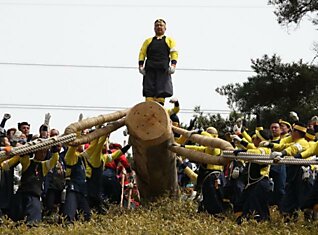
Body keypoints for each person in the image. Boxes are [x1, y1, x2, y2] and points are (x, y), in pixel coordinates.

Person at [138, 19, 178, 105]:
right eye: (157, 25)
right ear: (154, 28)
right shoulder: (148, 41)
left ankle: (160, 105)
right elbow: (142, 53)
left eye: (161, 25)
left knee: (162, 87)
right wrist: (141, 66)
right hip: (150, 68)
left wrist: (173, 65)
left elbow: (174, 53)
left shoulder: (169, 40)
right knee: (149, 87)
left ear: (165, 28)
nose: (159, 27)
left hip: (163, 68)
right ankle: (148, 104)